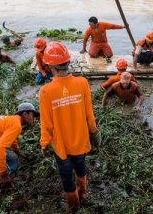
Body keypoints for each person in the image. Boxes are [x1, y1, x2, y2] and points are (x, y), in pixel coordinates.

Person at [39, 42, 98, 211]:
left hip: (61, 146)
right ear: (67, 62)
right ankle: (83, 193)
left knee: (66, 176)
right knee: (80, 169)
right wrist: (94, 132)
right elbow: (89, 115)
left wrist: (44, 143)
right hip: (81, 141)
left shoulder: (46, 91)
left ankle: (74, 204)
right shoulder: (82, 83)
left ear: (50, 66)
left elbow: (47, 124)